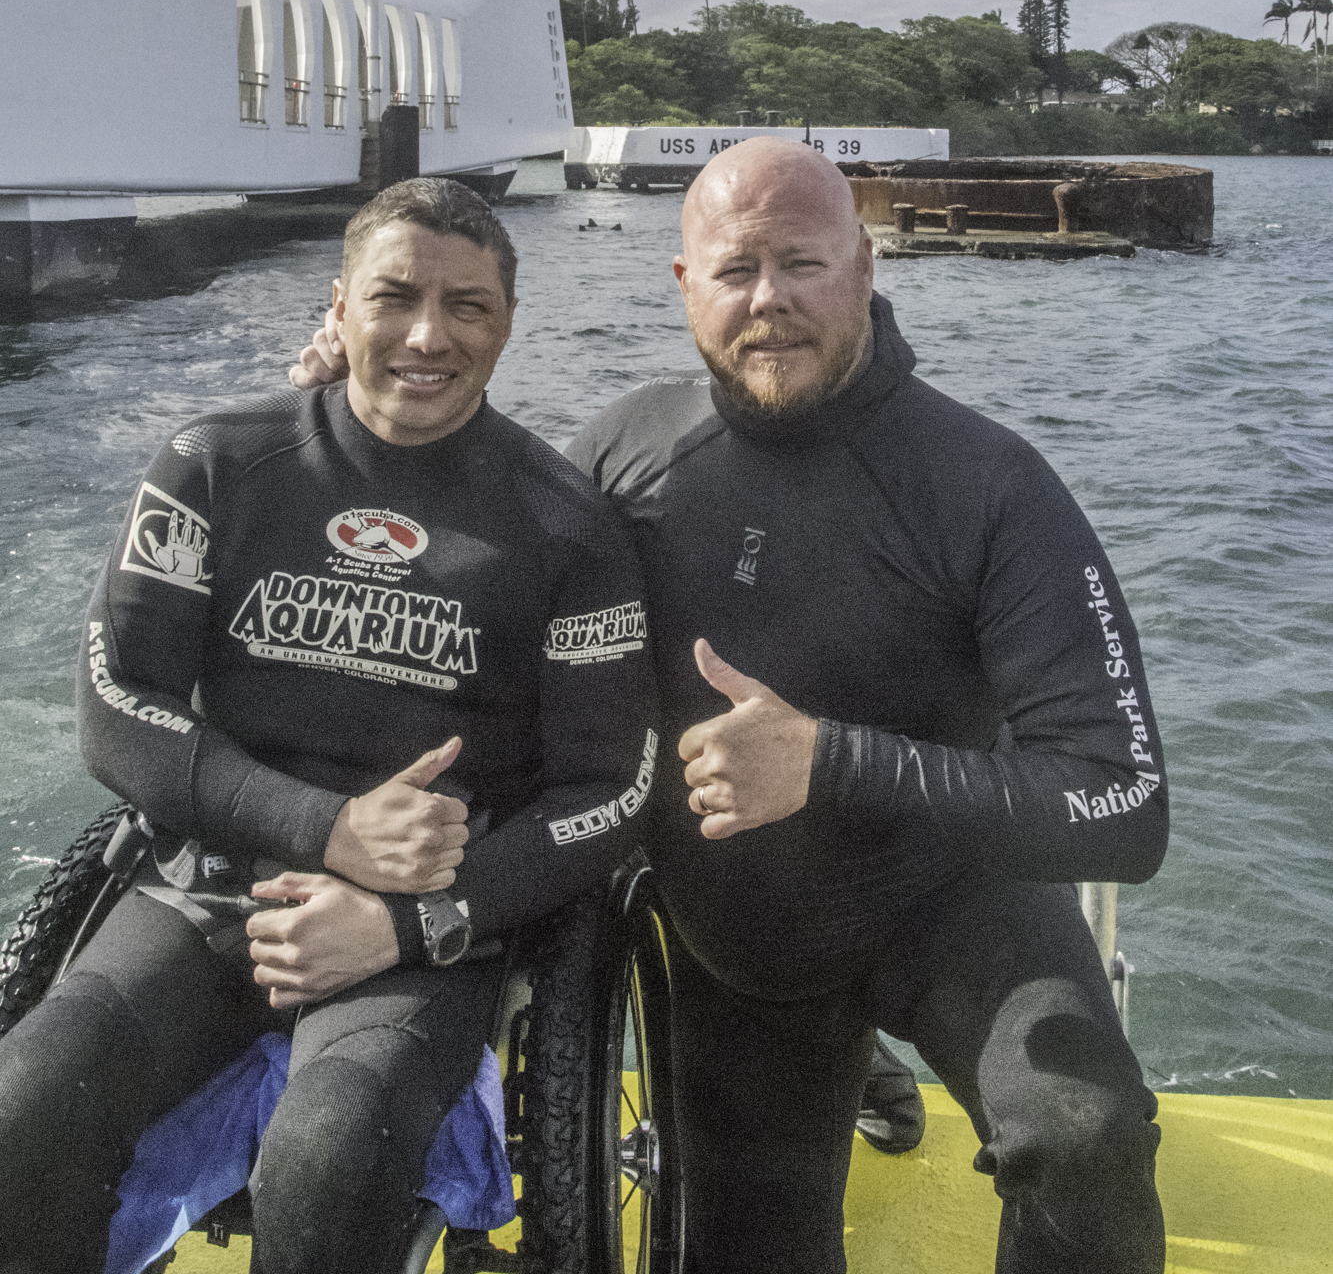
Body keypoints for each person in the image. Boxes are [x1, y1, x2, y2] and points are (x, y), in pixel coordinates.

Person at [292, 143, 1170, 1274]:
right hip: (740, 940)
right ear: (682, 283)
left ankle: (879, 1057)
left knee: (1082, 1134)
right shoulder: (623, 450)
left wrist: (828, 759)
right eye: (735, 267)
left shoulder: (987, 483)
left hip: (952, 900)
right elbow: (459, 600)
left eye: (803, 261)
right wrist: (337, 424)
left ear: (866, 261)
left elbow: (1123, 804)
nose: (770, 299)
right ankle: (854, 1064)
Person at [0, 178, 655, 1274]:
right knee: (23, 1105)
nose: (426, 335)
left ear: (506, 323)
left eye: (468, 307)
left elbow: (611, 792)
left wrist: (414, 918)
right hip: (210, 883)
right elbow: (118, 710)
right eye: (393, 296)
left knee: (328, 1155)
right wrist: (331, 827)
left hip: (428, 922)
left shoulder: (566, 530)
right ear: (339, 302)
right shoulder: (214, 463)